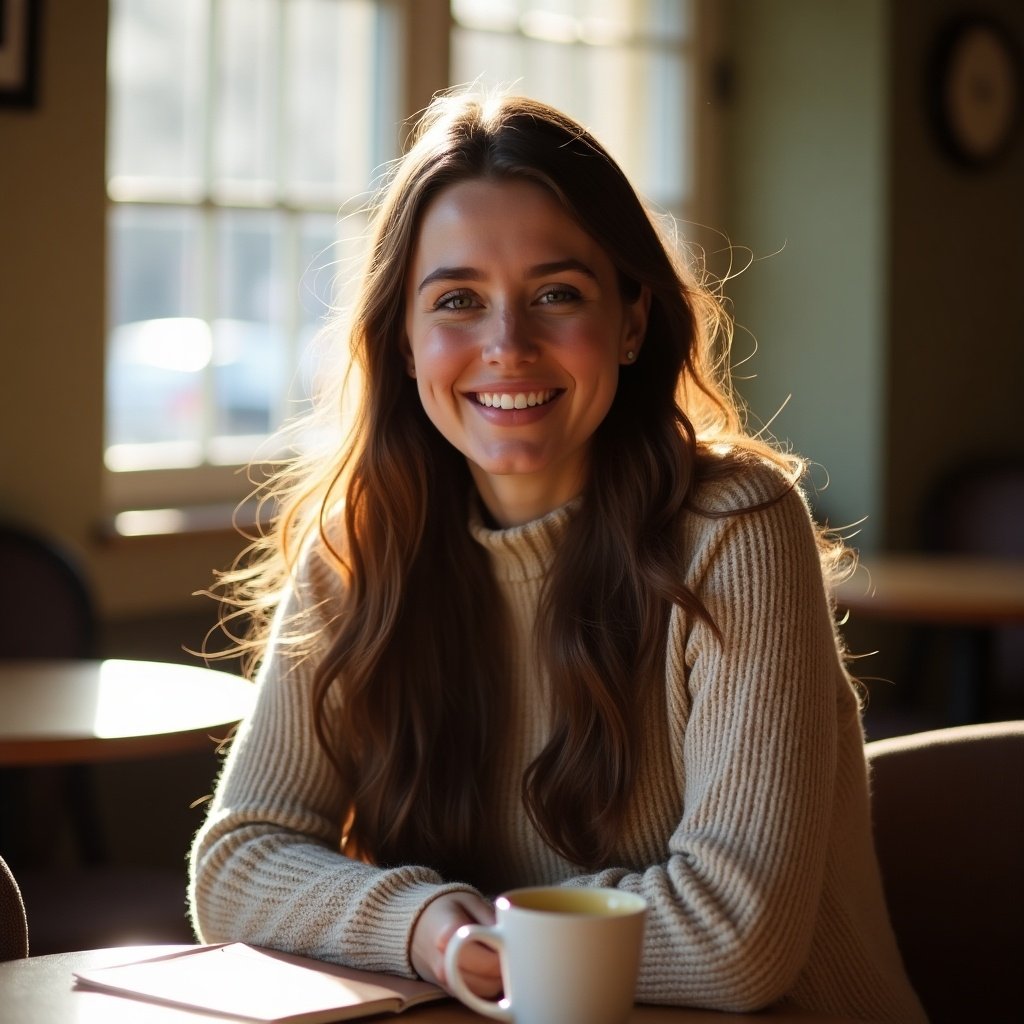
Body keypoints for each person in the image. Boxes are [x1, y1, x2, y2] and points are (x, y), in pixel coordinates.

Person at [189, 89, 926, 1022]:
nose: (507, 345)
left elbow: (737, 940)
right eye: (457, 300)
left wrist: (485, 943)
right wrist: (425, 929)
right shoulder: (364, 544)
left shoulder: (736, 528)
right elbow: (238, 861)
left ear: (629, 322)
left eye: (557, 294)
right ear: (406, 344)